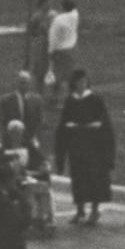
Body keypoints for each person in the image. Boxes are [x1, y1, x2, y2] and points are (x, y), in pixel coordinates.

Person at [53, 67, 114, 225]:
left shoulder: (95, 99)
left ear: (87, 82)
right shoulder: (70, 100)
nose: (81, 85)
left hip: (94, 146)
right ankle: (80, 210)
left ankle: (94, 210)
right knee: (78, 178)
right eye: (79, 82)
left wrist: (97, 127)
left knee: (94, 178)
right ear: (74, 83)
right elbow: (64, 124)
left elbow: (104, 123)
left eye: (84, 81)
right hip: (77, 146)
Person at [0, 68, 44, 154]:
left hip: (30, 141)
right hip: (10, 142)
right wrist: (6, 138)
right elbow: (1, 121)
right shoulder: (6, 100)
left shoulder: (37, 100)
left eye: (26, 83)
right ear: (17, 83)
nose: (24, 86)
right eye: (22, 82)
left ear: (30, 84)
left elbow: (39, 121)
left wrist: (35, 137)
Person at [45, 0, 80, 93]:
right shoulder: (75, 15)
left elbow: (53, 37)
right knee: (69, 74)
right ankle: (71, 95)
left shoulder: (58, 20)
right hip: (72, 50)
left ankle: (55, 98)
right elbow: (71, 11)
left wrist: (50, 51)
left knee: (57, 75)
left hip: (60, 51)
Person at [26, 0, 54, 93]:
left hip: (53, 47)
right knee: (40, 73)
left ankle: (54, 97)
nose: (49, 4)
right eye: (47, 2)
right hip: (40, 47)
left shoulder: (54, 15)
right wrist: (40, 32)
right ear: (42, 4)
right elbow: (31, 32)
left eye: (50, 2)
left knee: (54, 72)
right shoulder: (36, 17)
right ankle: (39, 93)